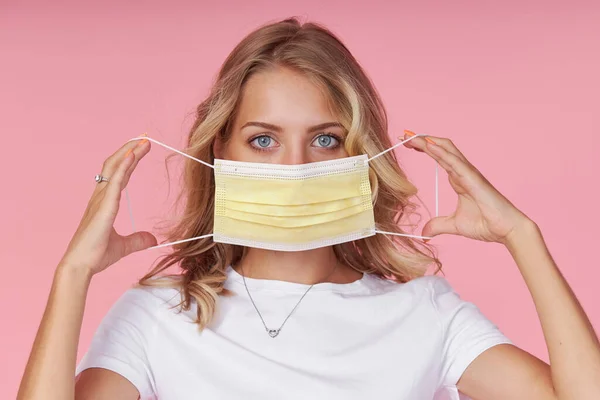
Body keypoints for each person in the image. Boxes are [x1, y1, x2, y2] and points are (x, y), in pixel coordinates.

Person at [17, 17, 600, 400]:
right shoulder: (156, 318)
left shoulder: (426, 314)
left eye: (325, 139)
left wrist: (523, 235)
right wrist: (72, 276)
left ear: (362, 154)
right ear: (220, 150)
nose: (295, 169)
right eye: (263, 140)